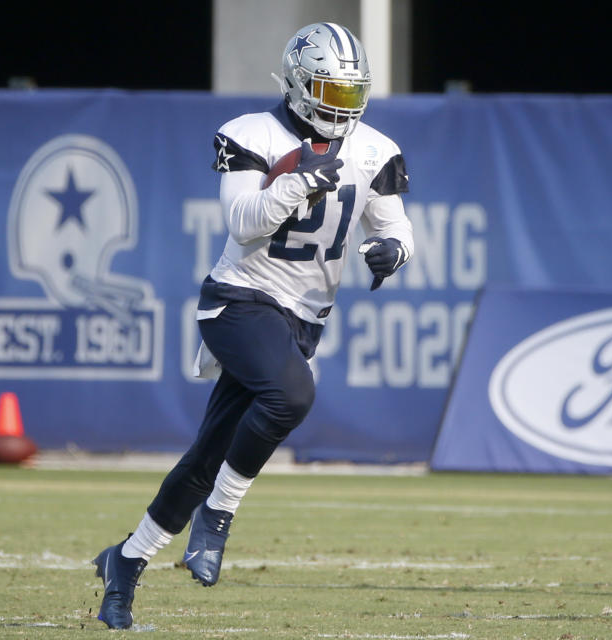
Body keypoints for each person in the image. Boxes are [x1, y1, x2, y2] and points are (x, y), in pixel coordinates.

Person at [92, 21, 414, 629]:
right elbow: (243, 223)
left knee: (206, 456)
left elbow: (394, 225)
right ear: (297, 83)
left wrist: (393, 251)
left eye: (351, 94)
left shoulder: (376, 149)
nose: (340, 108)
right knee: (293, 395)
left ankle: (125, 562)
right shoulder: (251, 135)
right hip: (238, 301)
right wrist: (295, 180)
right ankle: (218, 517)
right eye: (329, 91)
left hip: (302, 319)